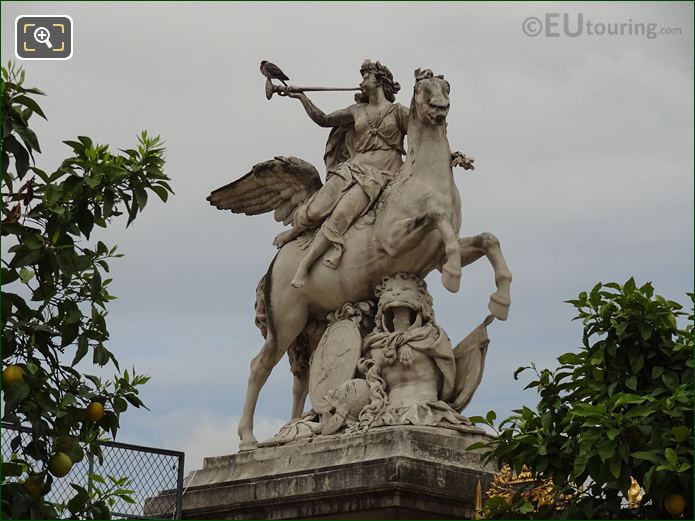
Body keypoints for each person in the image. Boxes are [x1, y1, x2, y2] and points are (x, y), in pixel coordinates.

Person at [273, 60, 409, 288]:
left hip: (381, 173)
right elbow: (323, 120)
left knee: (342, 213)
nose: (361, 82)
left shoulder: (399, 112)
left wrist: (449, 155)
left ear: (379, 80)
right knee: (316, 209)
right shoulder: (357, 111)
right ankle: (295, 231)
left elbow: (423, 137)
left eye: (366, 77)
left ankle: (305, 264)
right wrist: (301, 97)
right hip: (352, 168)